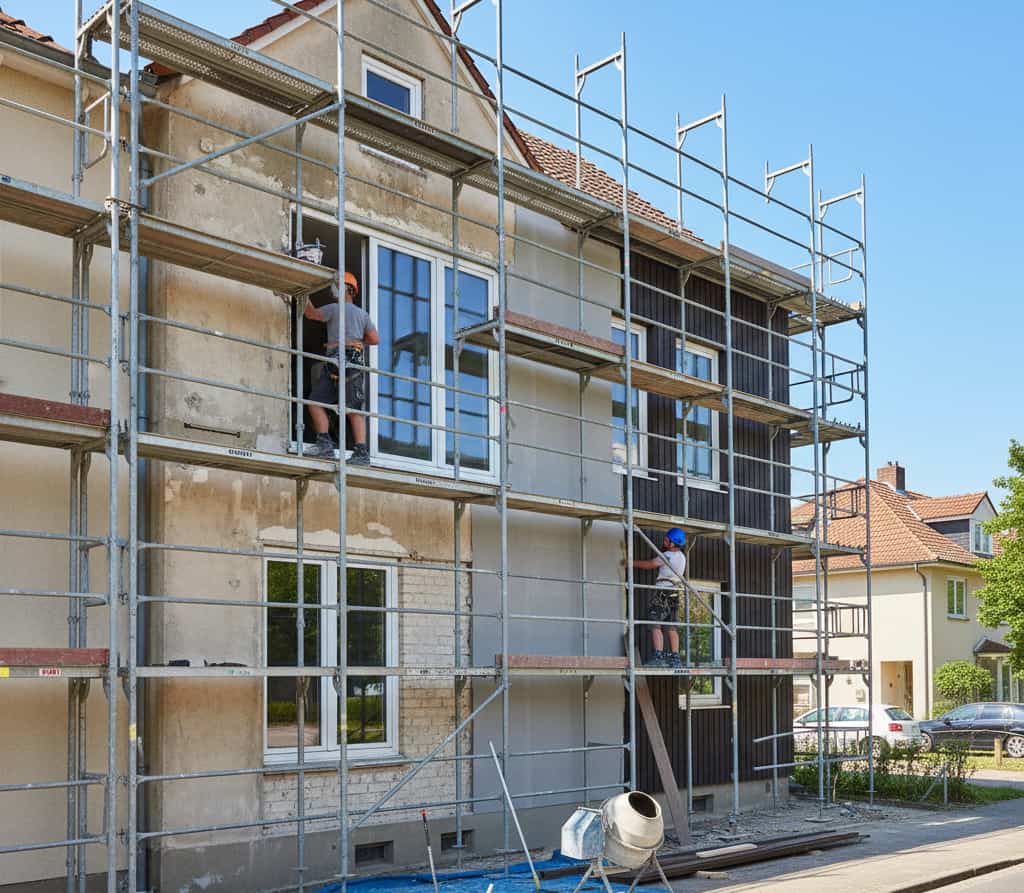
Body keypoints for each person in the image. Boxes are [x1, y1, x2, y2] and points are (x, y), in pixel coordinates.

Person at [304, 271, 378, 462]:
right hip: (351, 363)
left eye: (336, 286)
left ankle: (325, 445)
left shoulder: (335, 309)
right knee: (353, 407)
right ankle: (360, 452)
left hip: (337, 362)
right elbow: (374, 339)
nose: (332, 291)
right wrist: (358, 342)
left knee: (315, 402)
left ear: (346, 289)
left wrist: (303, 292)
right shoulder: (363, 315)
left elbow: (311, 314)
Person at [628, 527, 687, 668]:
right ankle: (675, 658)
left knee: (655, 623)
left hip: (663, 593)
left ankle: (658, 657)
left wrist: (630, 562)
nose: (664, 541)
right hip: (675, 593)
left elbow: (649, 565)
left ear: (673, 543)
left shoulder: (667, 555)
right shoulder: (682, 557)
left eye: (667, 540)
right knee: (671, 626)